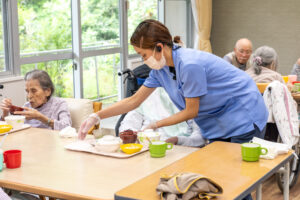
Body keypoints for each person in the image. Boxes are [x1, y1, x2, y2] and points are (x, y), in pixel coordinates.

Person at [78, 19, 268, 146]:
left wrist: (155, 125)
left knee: (235, 183)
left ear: (159, 47)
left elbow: (190, 111)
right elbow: (133, 101)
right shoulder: (160, 70)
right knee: (219, 181)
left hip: (244, 114)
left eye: (144, 54)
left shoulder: (189, 64)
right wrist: (97, 116)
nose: (143, 60)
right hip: (218, 119)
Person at [119, 87, 205, 147]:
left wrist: (178, 140)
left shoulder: (192, 100)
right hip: (142, 147)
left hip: (177, 149)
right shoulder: (149, 95)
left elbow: (200, 138)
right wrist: (130, 134)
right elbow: (129, 121)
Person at [0, 69, 71, 130]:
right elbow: (12, 128)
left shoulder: (59, 104)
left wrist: (41, 118)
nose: (29, 96)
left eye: (34, 91)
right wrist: (5, 113)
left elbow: (67, 127)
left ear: (47, 91)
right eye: (27, 91)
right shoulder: (27, 106)